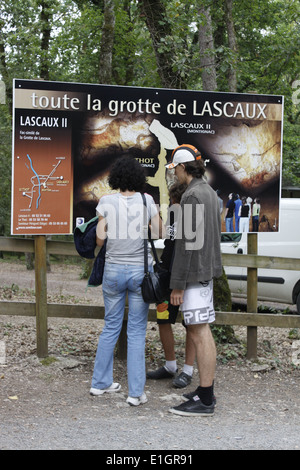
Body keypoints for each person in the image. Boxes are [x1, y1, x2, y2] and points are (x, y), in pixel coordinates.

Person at [90, 156, 163, 406]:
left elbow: (100, 241)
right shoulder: (147, 200)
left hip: (112, 271)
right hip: (139, 274)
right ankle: (135, 393)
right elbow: (159, 232)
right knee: (135, 332)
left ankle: (100, 383)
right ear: (138, 178)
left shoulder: (106, 202)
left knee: (110, 326)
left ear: (115, 178)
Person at [165, 144, 223, 417]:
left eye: (174, 168)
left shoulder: (191, 197)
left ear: (182, 167)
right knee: (202, 331)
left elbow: (187, 245)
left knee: (199, 333)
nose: (174, 174)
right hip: (205, 272)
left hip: (193, 275)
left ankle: (206, 398)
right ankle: (204, 391)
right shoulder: (209, 192)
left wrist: (177, 284)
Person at [146, 182, 196, 388]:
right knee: (163, 319)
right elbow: (168, 239)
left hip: (187, 277)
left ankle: (188, 370)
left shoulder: (192, 217)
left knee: (192, 324)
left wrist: (180, 283)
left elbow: (188, 251)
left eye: (173, 201)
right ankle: (170, 366)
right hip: (167, 274)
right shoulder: (174, 214)